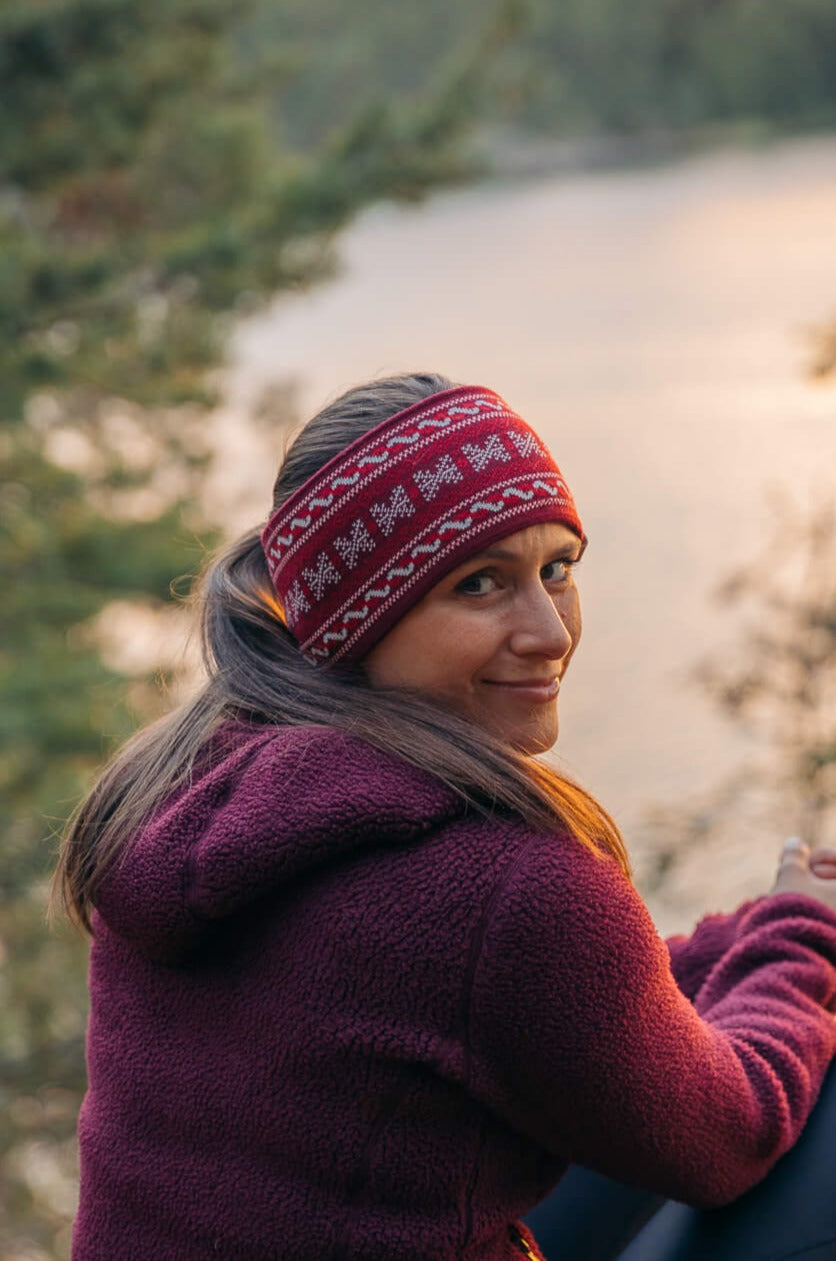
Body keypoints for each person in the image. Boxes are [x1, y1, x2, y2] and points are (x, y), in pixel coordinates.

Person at [56, 374, 836, 1261]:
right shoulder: (496, 887)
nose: (550, 631)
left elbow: (571, 1010)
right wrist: (802, 943)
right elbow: (727, 1135)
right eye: (478, 584)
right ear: (354, 621)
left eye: (557, 569)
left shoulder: (187, 799)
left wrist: (765, 924)